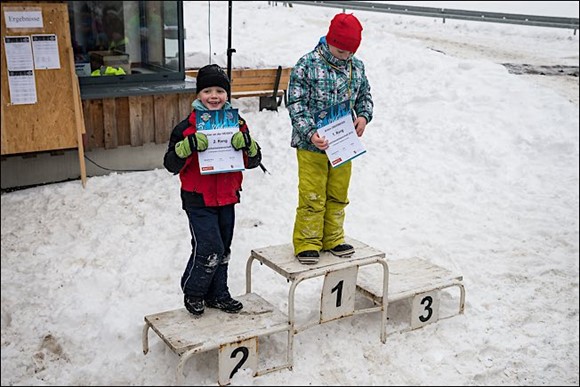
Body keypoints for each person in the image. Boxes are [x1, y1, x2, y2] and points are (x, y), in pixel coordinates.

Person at [163, 64, 263, 316]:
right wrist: (186, 147)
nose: (214, 96)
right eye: (207, 90)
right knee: (208, 248)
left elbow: (253, 160)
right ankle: (194, 291)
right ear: (198, 95)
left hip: (228, 196)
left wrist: (249, 145)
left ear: (227, 94)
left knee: (224, 249)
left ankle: (218, 293)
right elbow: (170, 164)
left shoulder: (237, 124)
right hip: (198, 198)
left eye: (220, 90)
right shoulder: (187, 128)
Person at [287, 13, 374, 264]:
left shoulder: (356, 67)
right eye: (340, 50)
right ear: (329, 40)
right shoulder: (306, 64)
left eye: (349, 52)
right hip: (311, 145)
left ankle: (333, 237)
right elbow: (296, 104)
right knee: (312, 194)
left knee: (338, 192)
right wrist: (310, 133)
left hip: (343, 144)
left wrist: (363, 117)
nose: (344, 56)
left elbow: (364, 96)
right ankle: (307, 241)